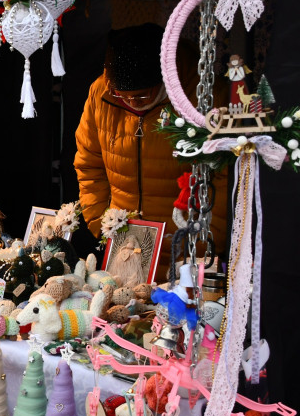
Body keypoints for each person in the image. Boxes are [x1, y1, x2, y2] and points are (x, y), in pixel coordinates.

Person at [74, 24, 225, 276]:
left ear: (165, 78)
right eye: (121, 95)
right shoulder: (101, 93)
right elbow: (89, 164)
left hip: (186, 246)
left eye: (141, 96)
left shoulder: (206, 97)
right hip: (123, 245)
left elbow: (224, 176)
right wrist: (100, 223)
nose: (130, 102)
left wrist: (205, 239)